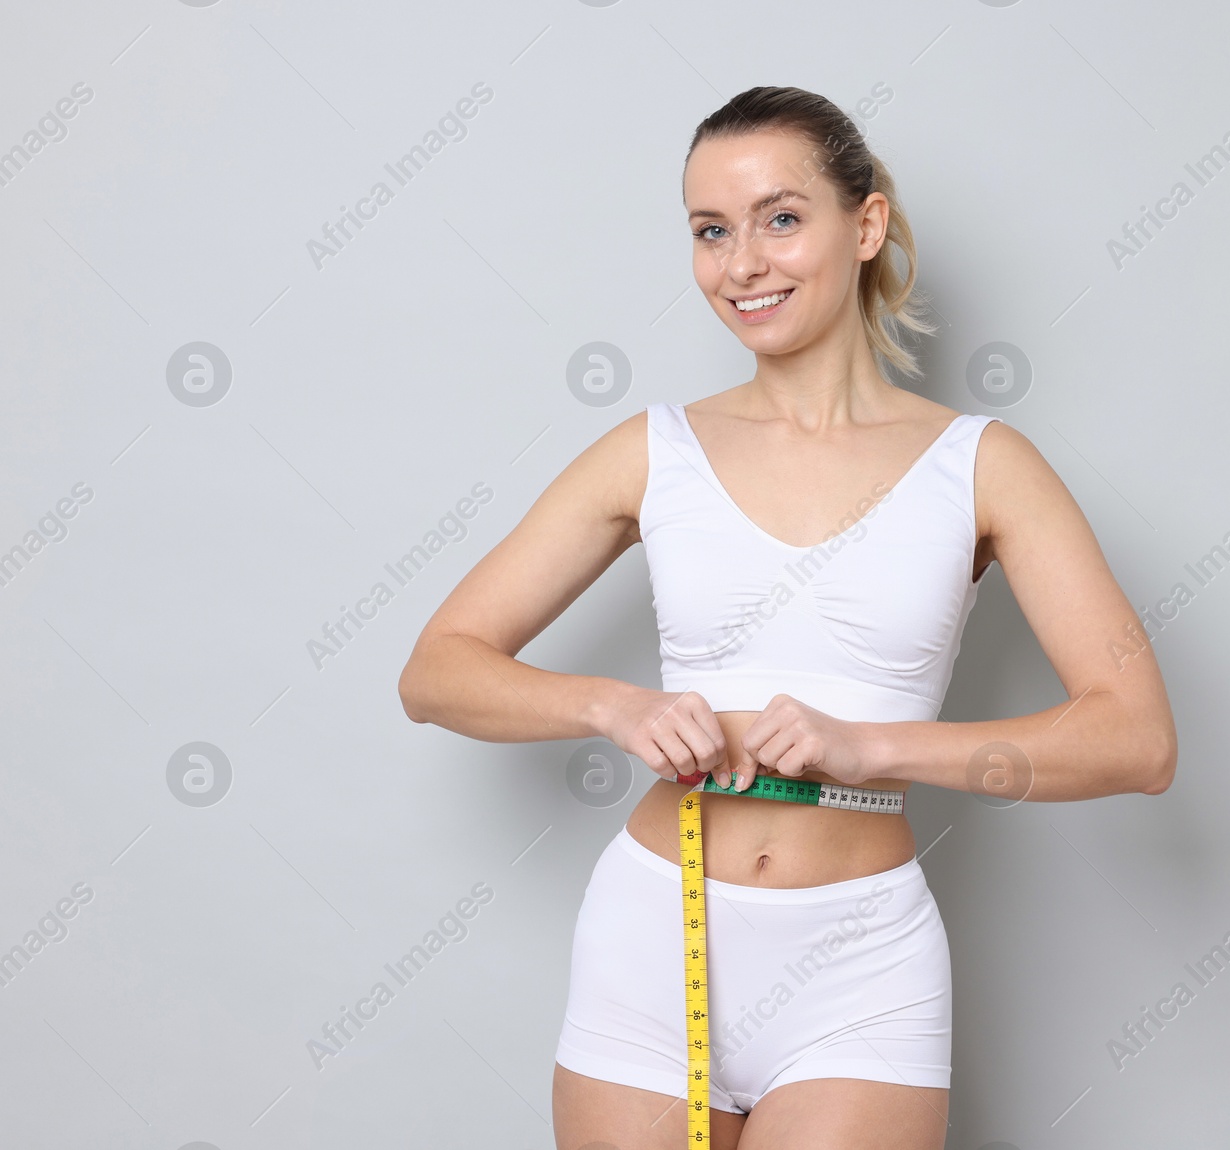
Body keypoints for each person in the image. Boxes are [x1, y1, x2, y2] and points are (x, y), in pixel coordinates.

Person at [398, 85, 1178, 1150]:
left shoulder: (984, 468)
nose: (742, 263)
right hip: (648, 946)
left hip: (857, 967)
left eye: (779, 217)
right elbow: (435, 670)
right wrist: (611, 706)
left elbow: (1134, 737)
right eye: (710, 231)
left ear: (863, 226)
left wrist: (868, 744)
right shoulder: (652, 452)